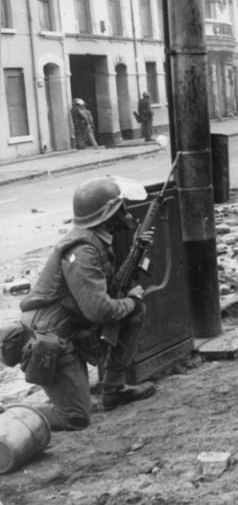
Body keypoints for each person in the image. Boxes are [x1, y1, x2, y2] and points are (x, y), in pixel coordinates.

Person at [19, 176, 156, 430]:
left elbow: (110, 287)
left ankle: (114, 389)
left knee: (134, 311)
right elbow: (100, 310)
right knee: (77, 417)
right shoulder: (82, 251)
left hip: (69, 331)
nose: (125, 213)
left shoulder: (96, 240)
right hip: (49, 340)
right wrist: (131, 300)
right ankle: (13, 417)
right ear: (109, 214)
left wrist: (137, 250)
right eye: (120, 208)